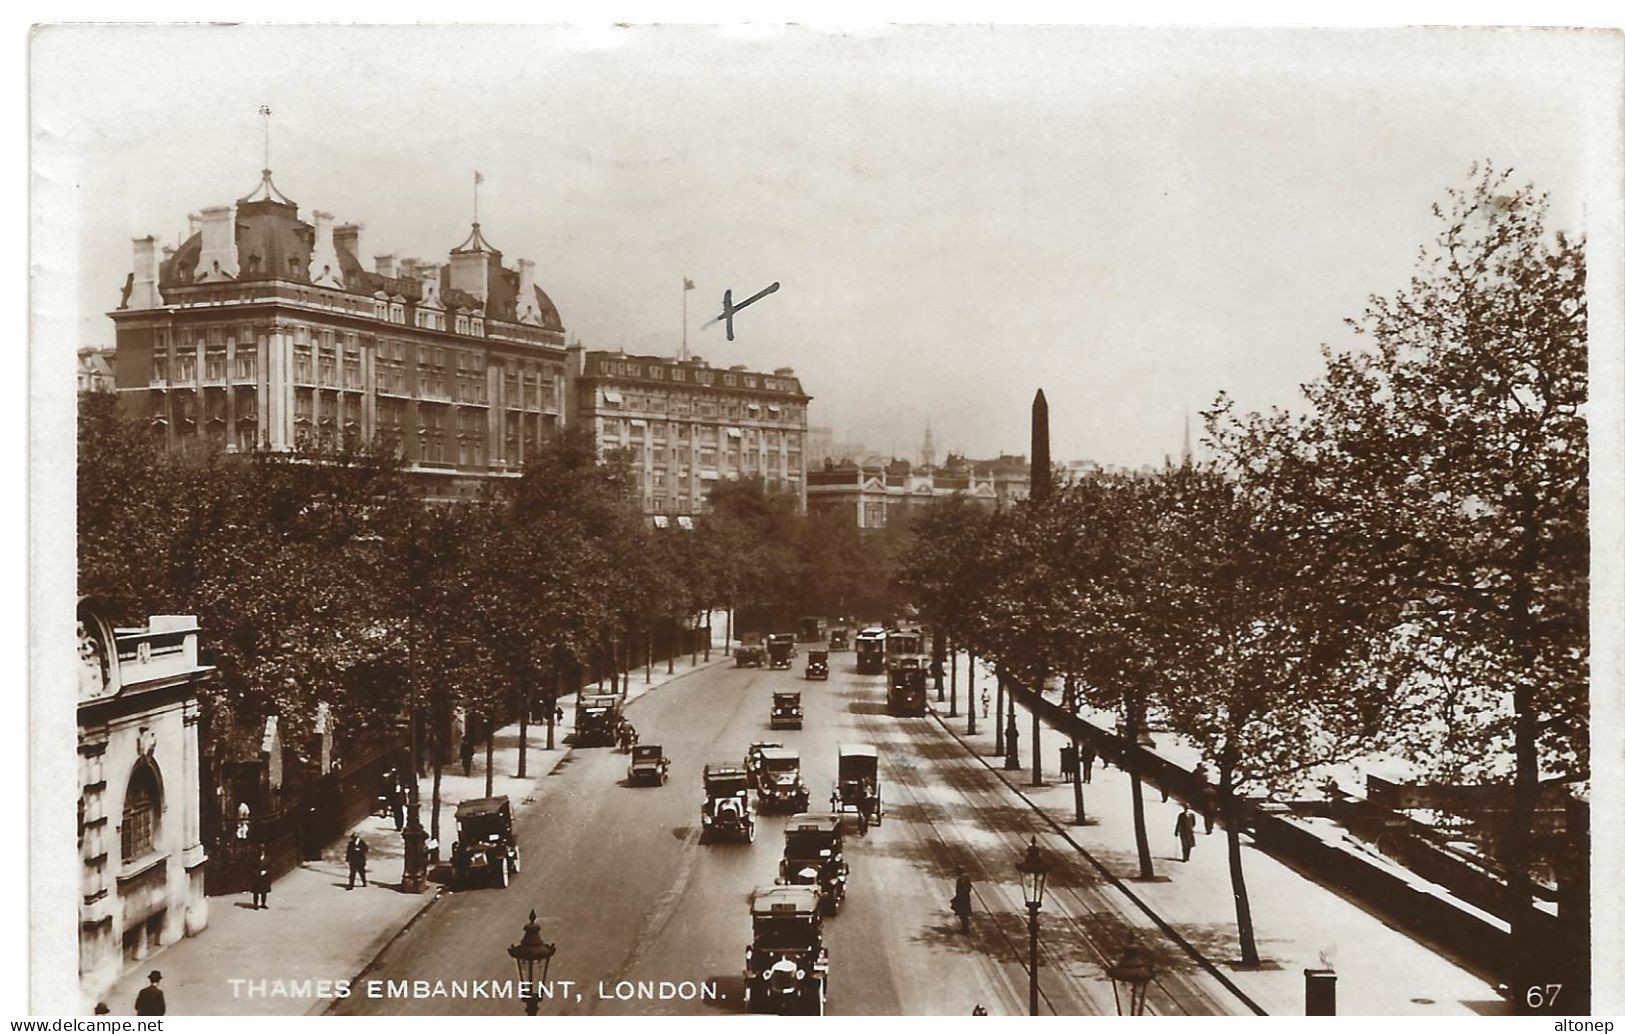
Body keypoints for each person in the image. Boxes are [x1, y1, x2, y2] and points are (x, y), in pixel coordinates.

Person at [950, 868, 973, 933]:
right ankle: (965, 928)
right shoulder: (965, 878)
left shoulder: (963, 879)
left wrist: (958, 898)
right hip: (964, 897)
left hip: (962, 899)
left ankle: (965, 929)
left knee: (963, 914)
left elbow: (963, 890)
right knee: (963, 914)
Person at [250, 844, 271, 909]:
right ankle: (255, 904)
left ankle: (263, 903)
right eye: (260, 850)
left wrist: (266, 871)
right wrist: (256, 873)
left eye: (262, 850)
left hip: (264, 876)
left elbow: (270, 867)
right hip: (257, 876)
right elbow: (252, 867)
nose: (261, 851)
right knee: (256, 891)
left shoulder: (268, 859)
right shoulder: (254, 858)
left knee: (264, 891)